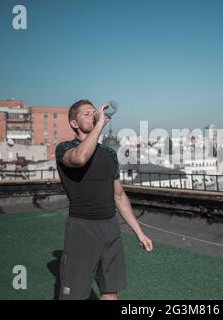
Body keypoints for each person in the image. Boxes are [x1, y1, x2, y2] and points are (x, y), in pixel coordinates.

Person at [55, 99, 153, 300]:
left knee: (110, 293)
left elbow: (119, 196)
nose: (93, 115)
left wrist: (139, 233)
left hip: (110, 227)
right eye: (86, 114)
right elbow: (80, 158)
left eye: (94, 112)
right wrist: (99, 124)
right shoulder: (64, 148)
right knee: (74, 296)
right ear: (74, 123)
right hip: (82, 228)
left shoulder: (109, 154)